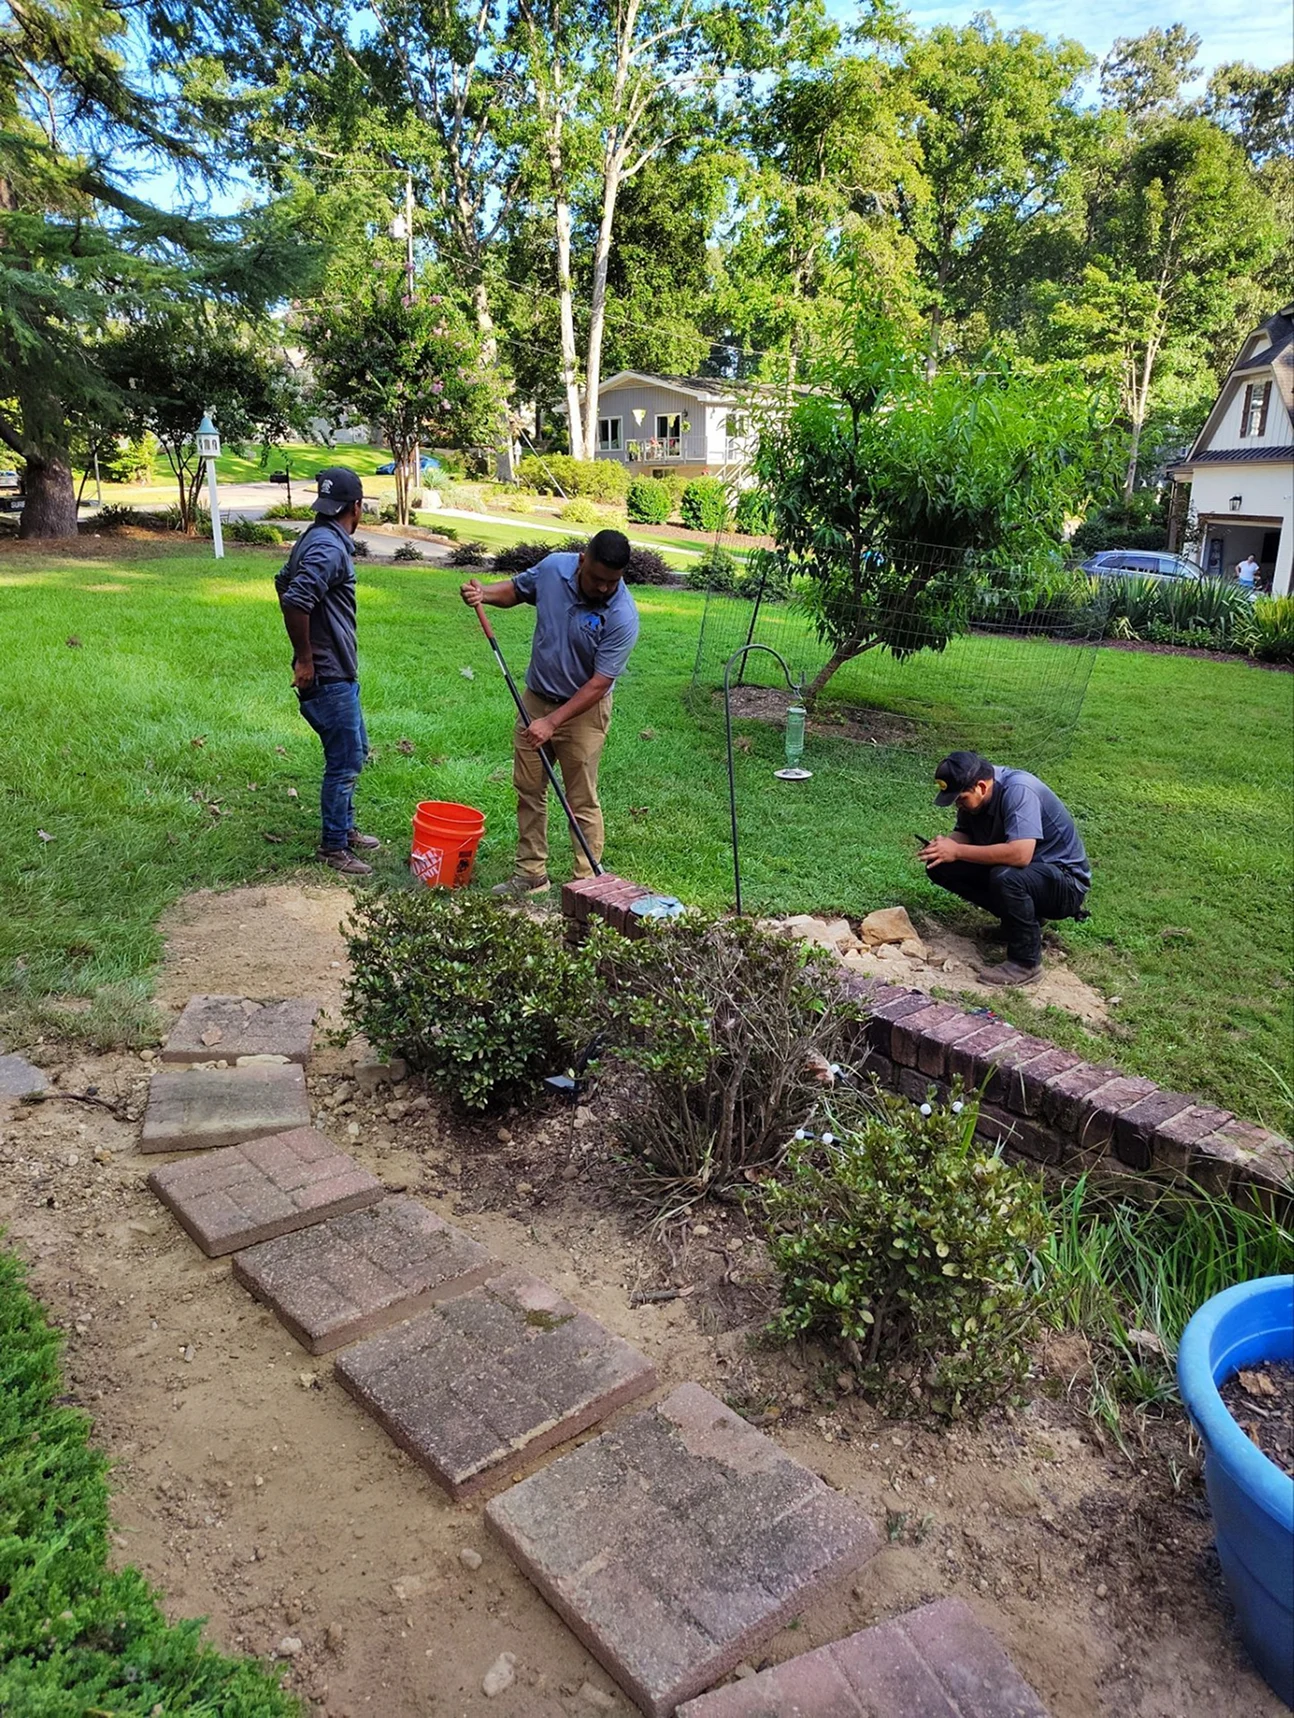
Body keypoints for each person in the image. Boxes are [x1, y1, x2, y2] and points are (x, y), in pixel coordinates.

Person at [460, 530, 640, 896]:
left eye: (613, 582)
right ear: (582, 561)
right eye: (598, 579)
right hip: (537, 699)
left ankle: (586, 883)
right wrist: (485, 594)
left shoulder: (622, 615)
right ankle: (531, 874)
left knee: (581, 797)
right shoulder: (554, 568)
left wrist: (552, 723)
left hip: (584, 713)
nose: (605, 588)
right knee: (529, 788)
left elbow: (598, 684)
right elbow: (517, 590)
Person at [275, 467, 380, 877]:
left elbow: (283, 583)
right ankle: (334, 846)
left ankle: (346, 829)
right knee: (346, 760)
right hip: (328, 674)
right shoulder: (329, 548)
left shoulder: (316, 538)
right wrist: (306, 656)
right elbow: (296, 598)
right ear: (357, 507)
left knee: (354, 750)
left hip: (337, 671)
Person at [918, 750, 1090, 987]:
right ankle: (1020, 922)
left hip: (1065, 885)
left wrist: (956, 851)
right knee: (942, 866)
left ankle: (1025, 963)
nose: (958, 805)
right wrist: (945, 847)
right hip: (1028, 875)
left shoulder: (1019, 790)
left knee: (1006, 877)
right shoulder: (976, 793)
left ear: (980, 787)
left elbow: (1020, 855)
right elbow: (965, 834)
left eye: (961, 799)